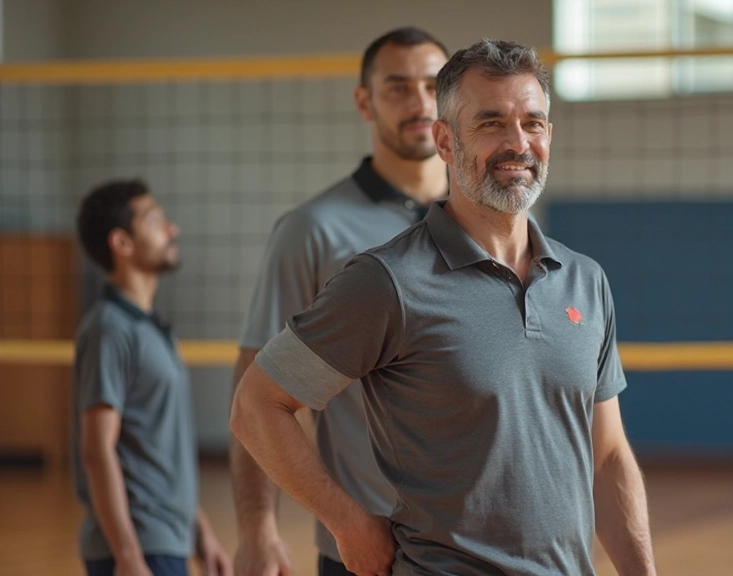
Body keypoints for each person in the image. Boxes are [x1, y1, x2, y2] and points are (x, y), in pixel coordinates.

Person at [231, 39, 657, 576]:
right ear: (445, 141)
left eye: (534, 122)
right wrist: (346, 522)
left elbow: (610, 456)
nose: (518, 143)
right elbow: (256, 405)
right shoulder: (385, 281)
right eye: (491, 123)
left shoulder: (585, 282)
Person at [230, 27, 450, 576]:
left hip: (476, 549)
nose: (420, 103)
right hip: (366, 547)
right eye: (398, 87)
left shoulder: (489, 222)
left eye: (433, 86)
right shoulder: (312, 230)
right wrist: (258, 530)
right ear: (364, 101)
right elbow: (254, 387)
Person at [72, 179, 231, 576]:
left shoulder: (153, 328)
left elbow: (162, 450)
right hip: (138, 548)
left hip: (166, 542)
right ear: (122, 243)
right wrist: (127, 556)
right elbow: (97, 450)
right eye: (155, 220)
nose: (171, 229)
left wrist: (201, 534)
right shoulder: (109, 329)